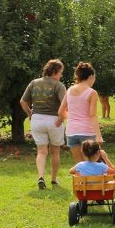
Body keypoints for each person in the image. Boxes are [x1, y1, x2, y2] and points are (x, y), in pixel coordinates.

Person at [20, 59, 67, 189]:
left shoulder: (34, 83)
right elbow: (65, 104)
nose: (61, 75)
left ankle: (41, 177)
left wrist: (30, 114)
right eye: (60, 72)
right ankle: (53, 179)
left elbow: (23, 102)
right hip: (54, 121)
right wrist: (61, 118)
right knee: (55, 152)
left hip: (37, 120)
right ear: (55, 71)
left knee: (41, 151)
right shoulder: (59, 85)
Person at [59, 62, 103, 164]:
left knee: (80, 165)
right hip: (87, 131)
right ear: (91, 76)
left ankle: (80, 181)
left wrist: (73, 118)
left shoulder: (69, 90)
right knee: (91, 163)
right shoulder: (92, 92)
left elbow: (61, 112)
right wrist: (98, 135)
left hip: (71, 132)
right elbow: (92, 115)